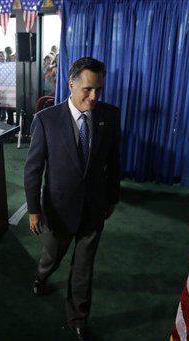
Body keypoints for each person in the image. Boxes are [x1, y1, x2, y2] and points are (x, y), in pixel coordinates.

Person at [24, 57, 120, 341]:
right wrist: (33, 210)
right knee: (52, 257)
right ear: (71, 85)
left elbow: (114, 161)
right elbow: (33, 169)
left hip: (94, 207)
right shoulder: (46, 120)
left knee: (83, 267)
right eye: (88, 89)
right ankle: (42, 276)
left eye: (99, 90)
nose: (94, 96)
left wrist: (112, 197)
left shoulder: (110, 116)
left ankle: (78, 318)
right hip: (58, 208)